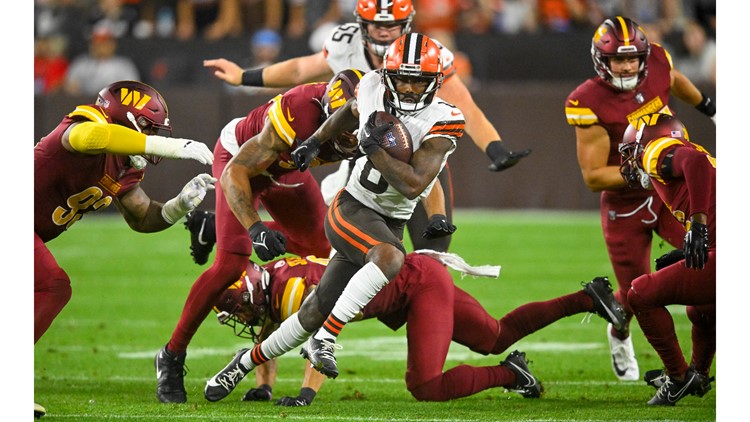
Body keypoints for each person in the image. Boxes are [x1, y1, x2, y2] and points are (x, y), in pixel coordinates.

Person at [202, 32, 468, 400]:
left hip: (389, 215)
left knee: (312, 310)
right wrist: (313, 142)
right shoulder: (372, 86)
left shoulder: (446, 118)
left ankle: (243, 364)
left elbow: (418, 182)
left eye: (417, 80)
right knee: (391, 256)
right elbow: (348, 111)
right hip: (353, 208)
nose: (407, 88)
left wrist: (431, 209)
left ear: (436, 82)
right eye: (401, 78)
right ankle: (325, 340)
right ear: (386, 75)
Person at [202, 0, 532, 254]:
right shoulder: (346, 45)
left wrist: (494, 147)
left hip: (413, 150)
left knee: (433, 247)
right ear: (361, 24)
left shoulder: (425, 56)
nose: (385, 33)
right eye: (376, 25)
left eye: (392, 25)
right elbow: (302, 69)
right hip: (362, 150)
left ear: (408, 23)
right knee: (350, 244)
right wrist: (244, 76)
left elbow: (465, 107)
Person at [154, 69, 364, 403]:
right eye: (341, 123)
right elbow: (236, 172)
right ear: (326, 112)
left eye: (353, 126)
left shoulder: (379, 120)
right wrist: (255, 228)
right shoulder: (299, 113)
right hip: (243, 158)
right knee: (230, 265)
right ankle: (171, 356)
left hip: (288, 167)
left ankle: (211, 227)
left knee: (323, 251)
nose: (348, 135)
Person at [205, 249, 626, 404]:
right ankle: (588, 298)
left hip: (416, 288)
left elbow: (315, 338)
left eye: (240, 313)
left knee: (425, 385)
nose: (243, 320)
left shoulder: (293, 290)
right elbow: (273, 330)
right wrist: (260, 381)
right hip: (416, 279)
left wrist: (304, 394)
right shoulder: (276, 277)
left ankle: (511, 374)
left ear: (252, 295)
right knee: (495, 336)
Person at [34, 80, 215, 416]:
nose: (152, 138)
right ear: (124, 117)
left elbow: (142, 215)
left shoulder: (125, 164)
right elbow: (91, 139)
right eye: (147, 127)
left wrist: (178, 206)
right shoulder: (86, 124)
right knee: (52, 286)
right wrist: (170, 146)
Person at [563, 16, 716, 382]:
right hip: (625, 204)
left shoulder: (659, 62)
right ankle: (619, 332)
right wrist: (645, 171)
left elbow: (674, 79)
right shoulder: (587, 100)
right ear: (602, 61)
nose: (628, 65)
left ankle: (694, 369)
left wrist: (709, 106)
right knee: (635, 294)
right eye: (618, 59)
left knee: (706, 266)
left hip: (667, 198)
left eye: (633, 58)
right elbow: (593, 177)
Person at [618, 113, 715, 406]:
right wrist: (693, 244)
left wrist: (698, 225)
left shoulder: (654, 150)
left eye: (630, 153)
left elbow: (693, 164)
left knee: (640, 294)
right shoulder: (701, 156)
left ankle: (678, 378)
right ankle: (697, 373)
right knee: (701, 309)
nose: (630, 162)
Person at [63, 27, 141, 96]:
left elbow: (134, 90)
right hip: (85, 107)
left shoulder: (124, 65)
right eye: (95, 42)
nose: (98, 46)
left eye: (103, 42)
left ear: (112, 44)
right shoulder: (80, 63)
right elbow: (69, 87)